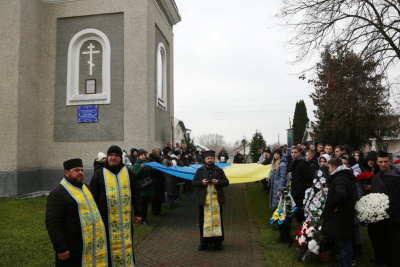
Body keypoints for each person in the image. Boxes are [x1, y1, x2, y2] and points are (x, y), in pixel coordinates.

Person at [46, 158, 107, 266]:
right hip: (71, 248)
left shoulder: (86, 188)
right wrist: (61, 248)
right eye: (76, 170)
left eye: (82, 170)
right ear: (66, 173)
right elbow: (52, 223)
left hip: (89, 245)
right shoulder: (57, 193)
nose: (80, 173)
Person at [90, 145, 142, 266]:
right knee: (107, 248)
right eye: (111, 155)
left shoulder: (129, 173)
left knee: (126, 246)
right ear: (107, 157)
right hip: (105, 221)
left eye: (116, 155)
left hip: (125, 221)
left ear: (120, 158)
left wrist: (139, 213)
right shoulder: (99, 174)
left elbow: (137, 193)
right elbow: (92, 197)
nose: (113, 158)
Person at [322, 158, 356, 267]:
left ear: (334, 168)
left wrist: (333, 205)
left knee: (345, 243)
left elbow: (341, 194)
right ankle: (343, 263)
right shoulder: (342, 177)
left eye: (330, 168)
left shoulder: (340, 179)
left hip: (343, 216)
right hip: (345, 214)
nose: (329, 170)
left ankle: (346, 264)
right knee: (343, 241)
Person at [192, 150, 229, 251]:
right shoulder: (200, 170)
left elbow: (226, 182)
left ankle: (218, 243)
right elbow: (194, 182)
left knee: (217, 221)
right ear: (204, 159)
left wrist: (218, 182)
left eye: (212, 158)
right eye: (208, 158)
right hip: (204, 201)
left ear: (214, 159)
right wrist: (201, 182)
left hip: (216, 201)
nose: (210, 160)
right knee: (204, 222)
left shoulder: (219, 170)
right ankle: (204, 243)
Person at [368, 151, 400, 267]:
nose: (383, 164)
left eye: (385, 162)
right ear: (377, 162)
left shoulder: (396, 178)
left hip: (392, 217)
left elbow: (395, 200)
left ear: (390, 162)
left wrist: (384, 212)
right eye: (380, 162)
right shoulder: (376, 177)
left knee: (393, 242)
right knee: (379, 239)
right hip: (378, 216)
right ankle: (381, 259)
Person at [288, 147, 311, 223]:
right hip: (295, 188)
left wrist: (304, 188)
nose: (293, 154)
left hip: (301, 190)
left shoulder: (302, 163)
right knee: (296, 206)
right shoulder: (294, 162)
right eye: (292, 152)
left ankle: (302, 222)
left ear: (299, 153)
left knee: (300, 207)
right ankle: (299, 221)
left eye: (295, 152)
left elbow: (307, 177)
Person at [132, 149, 154, 226]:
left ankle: (144, 218)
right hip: (141, 188)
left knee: (146, 205)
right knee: (142, 205)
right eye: (141, 155)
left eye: (144, 155)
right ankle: (142, 219)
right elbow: (135, 175)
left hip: (147, 186)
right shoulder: (136, 165)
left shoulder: (147, 163)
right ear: (138, 156)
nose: (143, 156)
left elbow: (149, 174)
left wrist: (152, 169)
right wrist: (141, 168)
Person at [147, 148, 165, 216]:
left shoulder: (159, 159)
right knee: (155, 198)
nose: (158, 153)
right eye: (157, 152)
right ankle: (154, 212)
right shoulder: (150, 159)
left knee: (159, 197)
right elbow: (151, 168)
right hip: (154, 180)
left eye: (158, 152)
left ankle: (159, 211)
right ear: (153, 152)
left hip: (160, 180)